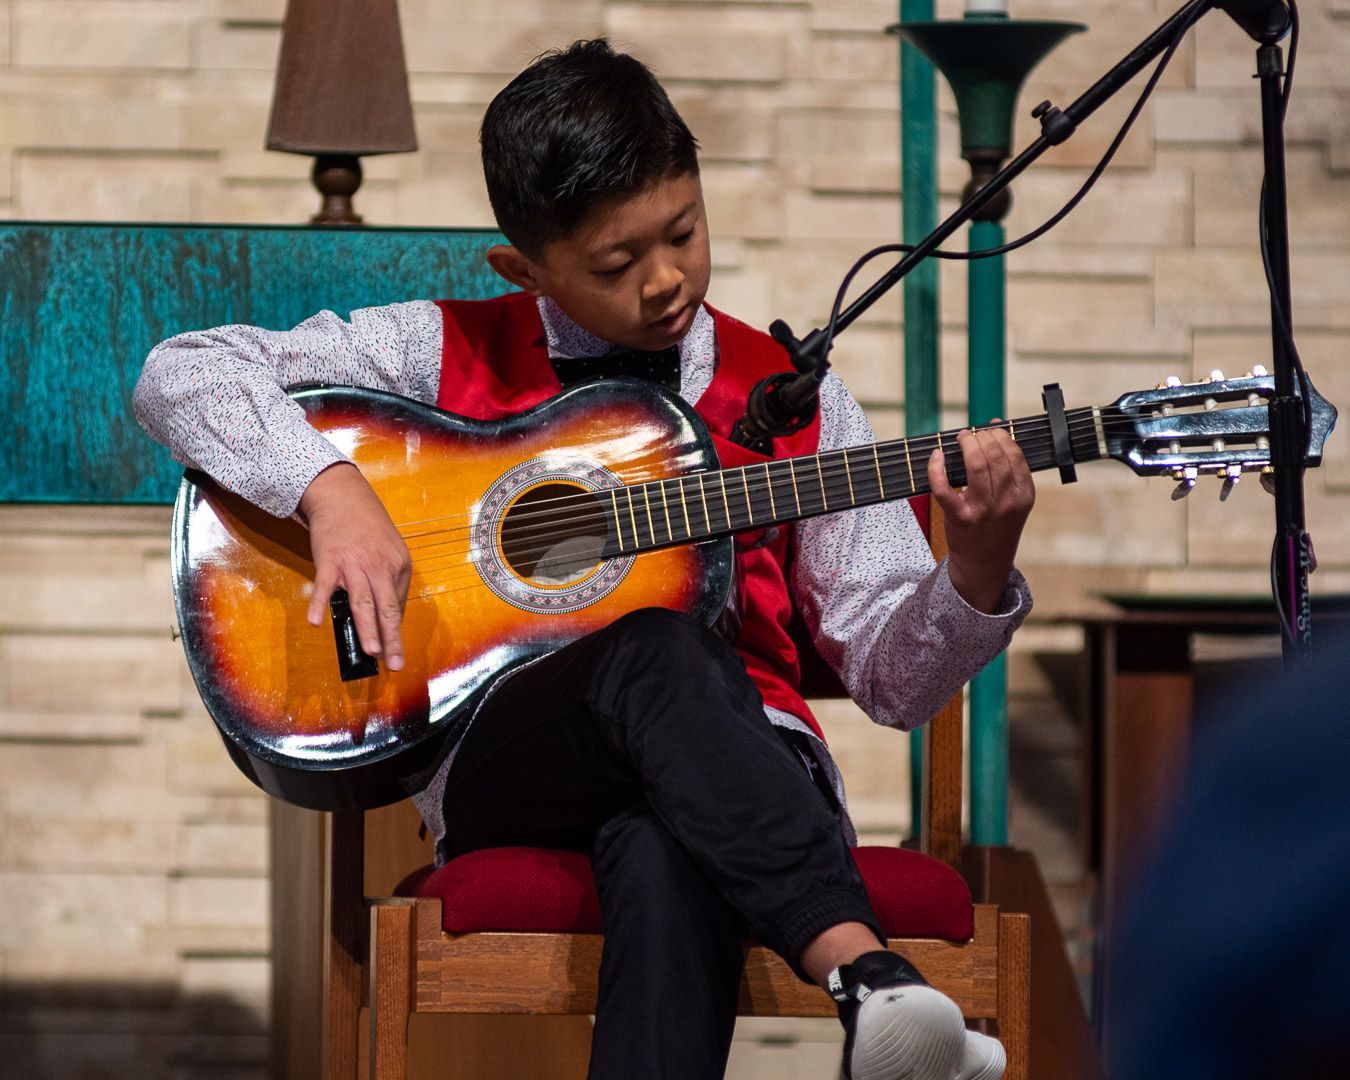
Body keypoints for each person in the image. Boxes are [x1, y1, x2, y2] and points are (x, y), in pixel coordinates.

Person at [135, 40, 1035, 1080]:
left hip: (751, 773)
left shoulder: (796, 398)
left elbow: (895, 683)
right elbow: (180, 371)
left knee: (662, 847)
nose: (666, 282)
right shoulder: (443, 350)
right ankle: (864, 971)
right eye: (616, 263)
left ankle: (877, 1007)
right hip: (513, 763)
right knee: (657, 647)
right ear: (526, 270)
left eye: (684, 234)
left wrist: (973, 567)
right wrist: (328, 491)